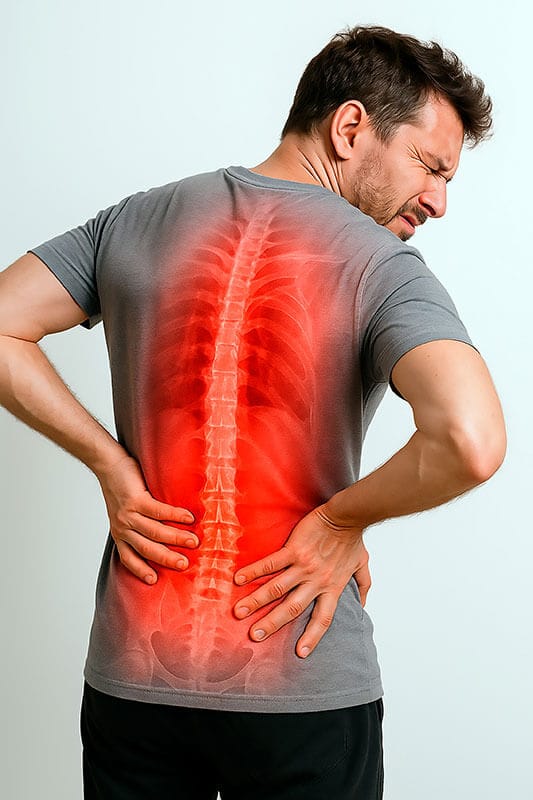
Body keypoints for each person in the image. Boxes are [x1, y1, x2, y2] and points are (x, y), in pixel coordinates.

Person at [0, 24, 506, 800]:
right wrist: (341, 520)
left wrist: (110, 463)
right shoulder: (380, 265)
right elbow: (470, 439)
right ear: (349, 128)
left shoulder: (134, 220)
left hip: (135, 682)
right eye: (429, 165)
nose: (437, 199)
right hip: (300, 680)